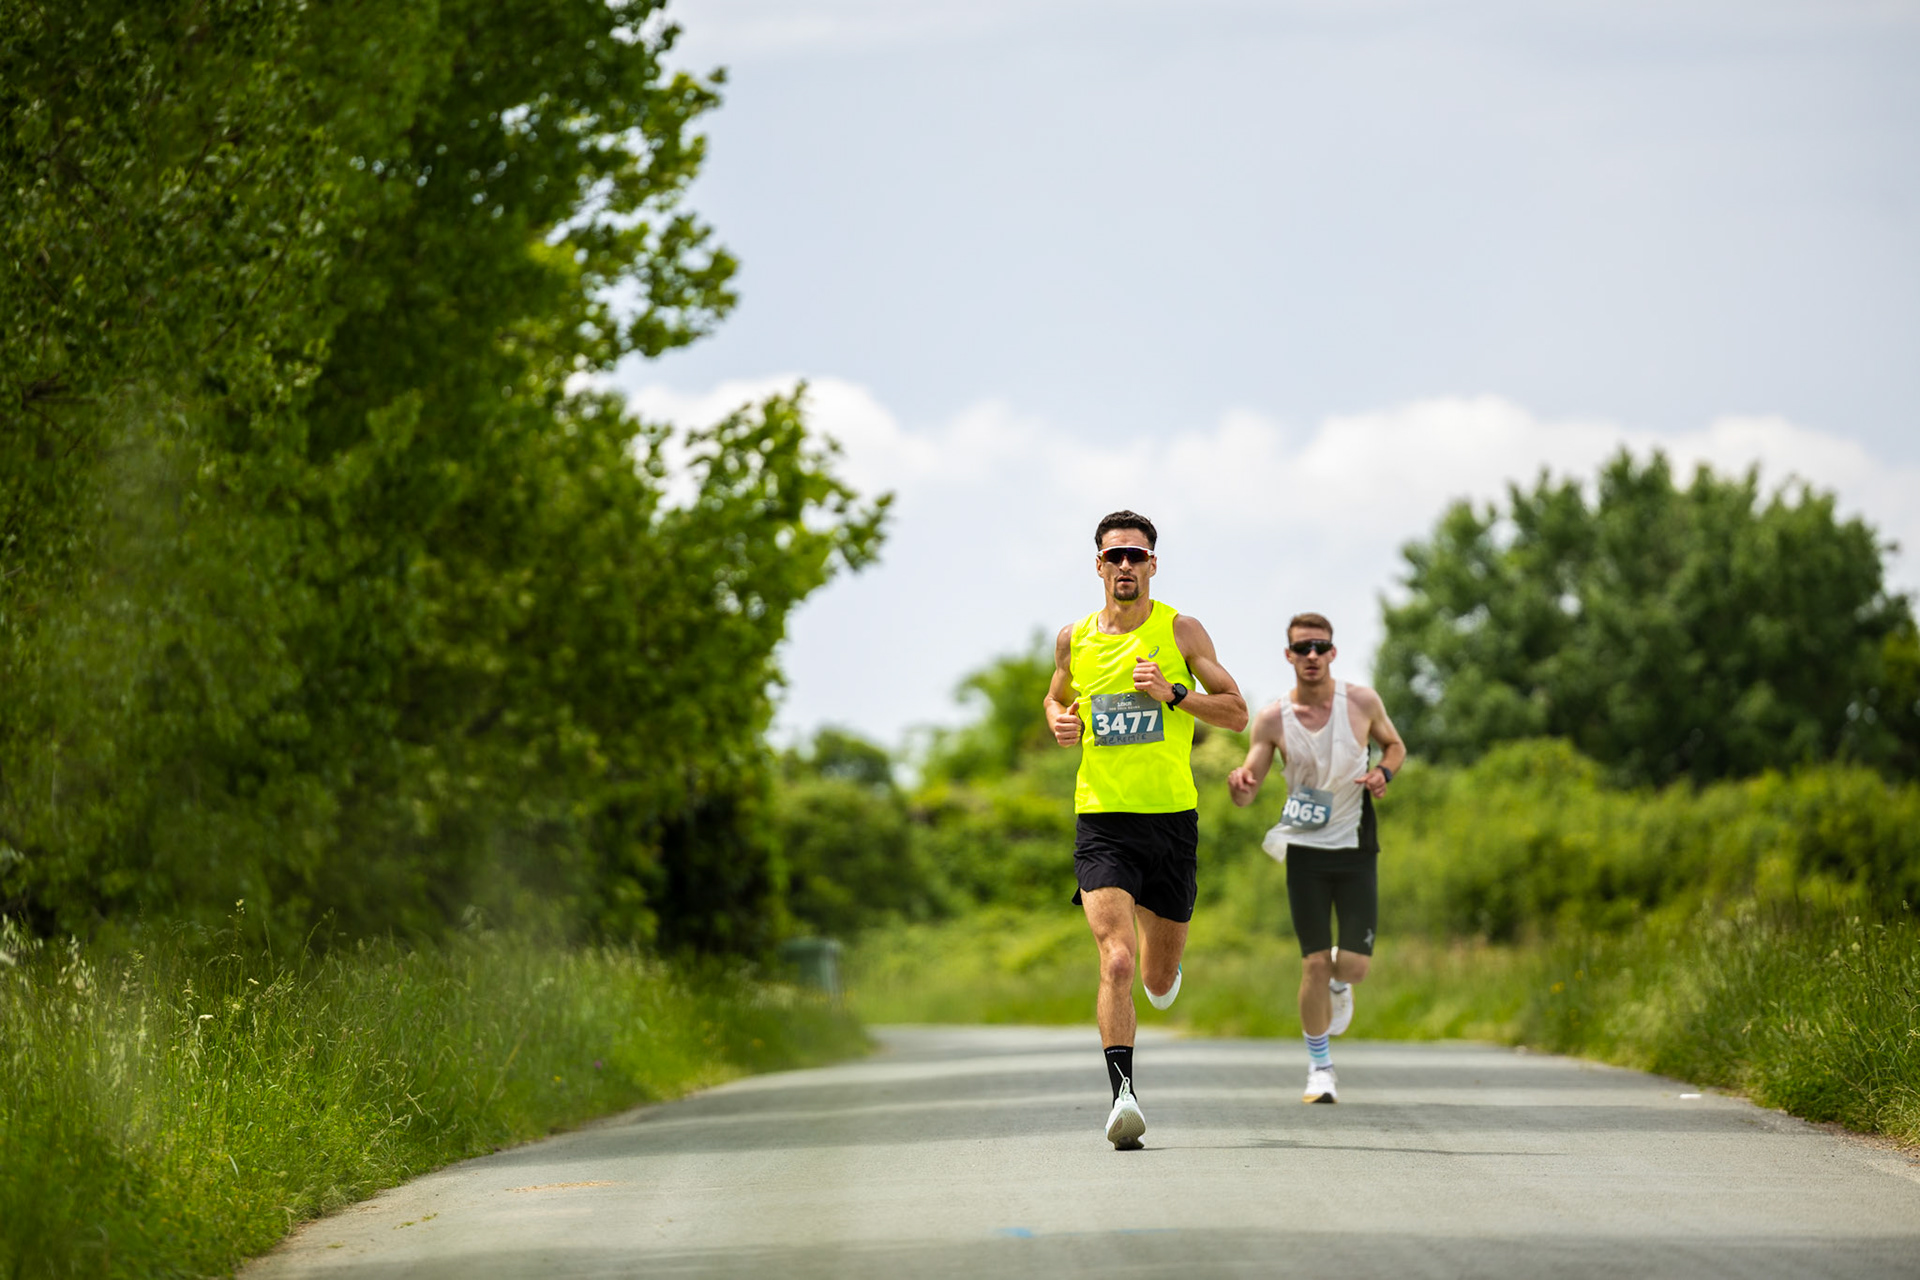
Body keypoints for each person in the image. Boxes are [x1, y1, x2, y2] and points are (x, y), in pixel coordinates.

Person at [1043, 511, 1248, 1149]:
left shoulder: (1180, 630)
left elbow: (1237, 713)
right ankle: (1122, 1097)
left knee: (1156, 978)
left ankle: (1166, 973)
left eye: (1136, 555)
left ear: (1153, 565)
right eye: (1115, 556)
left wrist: (1175, 693)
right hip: (1103, 820)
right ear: (1099, 566)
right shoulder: (1073, 639)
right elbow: (1055, 696)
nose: (1126, 565)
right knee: (1117, 959)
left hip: (1171, 823)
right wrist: (1059, 720)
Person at [1227, 612, 1406, 1104]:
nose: (1312, 656)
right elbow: (1249, 784)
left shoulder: (1362, 702)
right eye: (1302, 648)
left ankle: (1340, 986)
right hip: (1305, 849)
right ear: (1288, 655)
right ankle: (1320, 1068)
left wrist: (1384, 774)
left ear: (1333, 653)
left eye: (1320, 647)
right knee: (1313, 964)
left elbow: (1394, 746)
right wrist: (1240, 786)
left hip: (1355, 847)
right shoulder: (1272, 718)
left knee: (1352, 968)